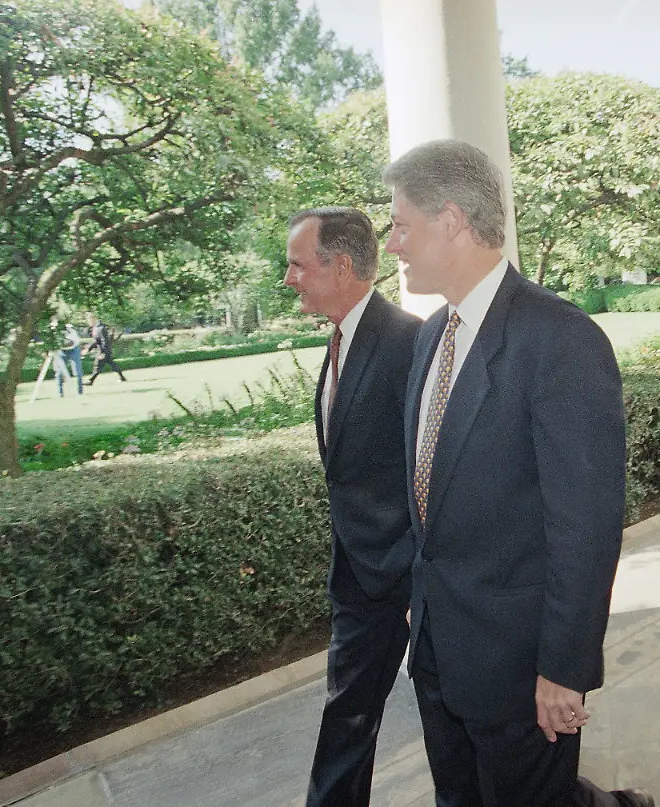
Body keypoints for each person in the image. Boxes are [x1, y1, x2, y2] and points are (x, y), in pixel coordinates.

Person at [384, 139, 653, 807]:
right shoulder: (428, 339)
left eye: (401, 224)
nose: (392, 243)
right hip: (442, 658)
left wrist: (564, 668)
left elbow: (585, 526)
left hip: (520, 668)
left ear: (450, 219)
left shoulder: (559, 338)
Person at [284, 207, 421, 807]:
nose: (288, 277)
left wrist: (417, 568)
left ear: (340, 266)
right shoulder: (341, 341)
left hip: (415, 574)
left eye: (296, 263)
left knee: (479, 720)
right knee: (349, 712)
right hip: (360, 577)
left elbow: (435, 464)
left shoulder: (409, 341)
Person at [85, 313, 126, 385]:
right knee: (112, 365)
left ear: (93, 319)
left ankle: (91, 381)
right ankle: (122, 377)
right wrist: (88, 349)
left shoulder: (101, 328)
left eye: (89, 320)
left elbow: (105, 341)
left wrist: (103, 352)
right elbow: (96, 341)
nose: (89, 322)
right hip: (103, 350)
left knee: (97, 366)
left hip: (103, 350)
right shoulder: (95, 328)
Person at [60, 321, 84, 396]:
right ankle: (60, 392)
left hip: (74, 349)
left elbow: (73, 342)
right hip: (62, 350)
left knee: (78, 370)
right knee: (59, 372)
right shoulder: (55, 330)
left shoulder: (71, 330)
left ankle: (80, 390)